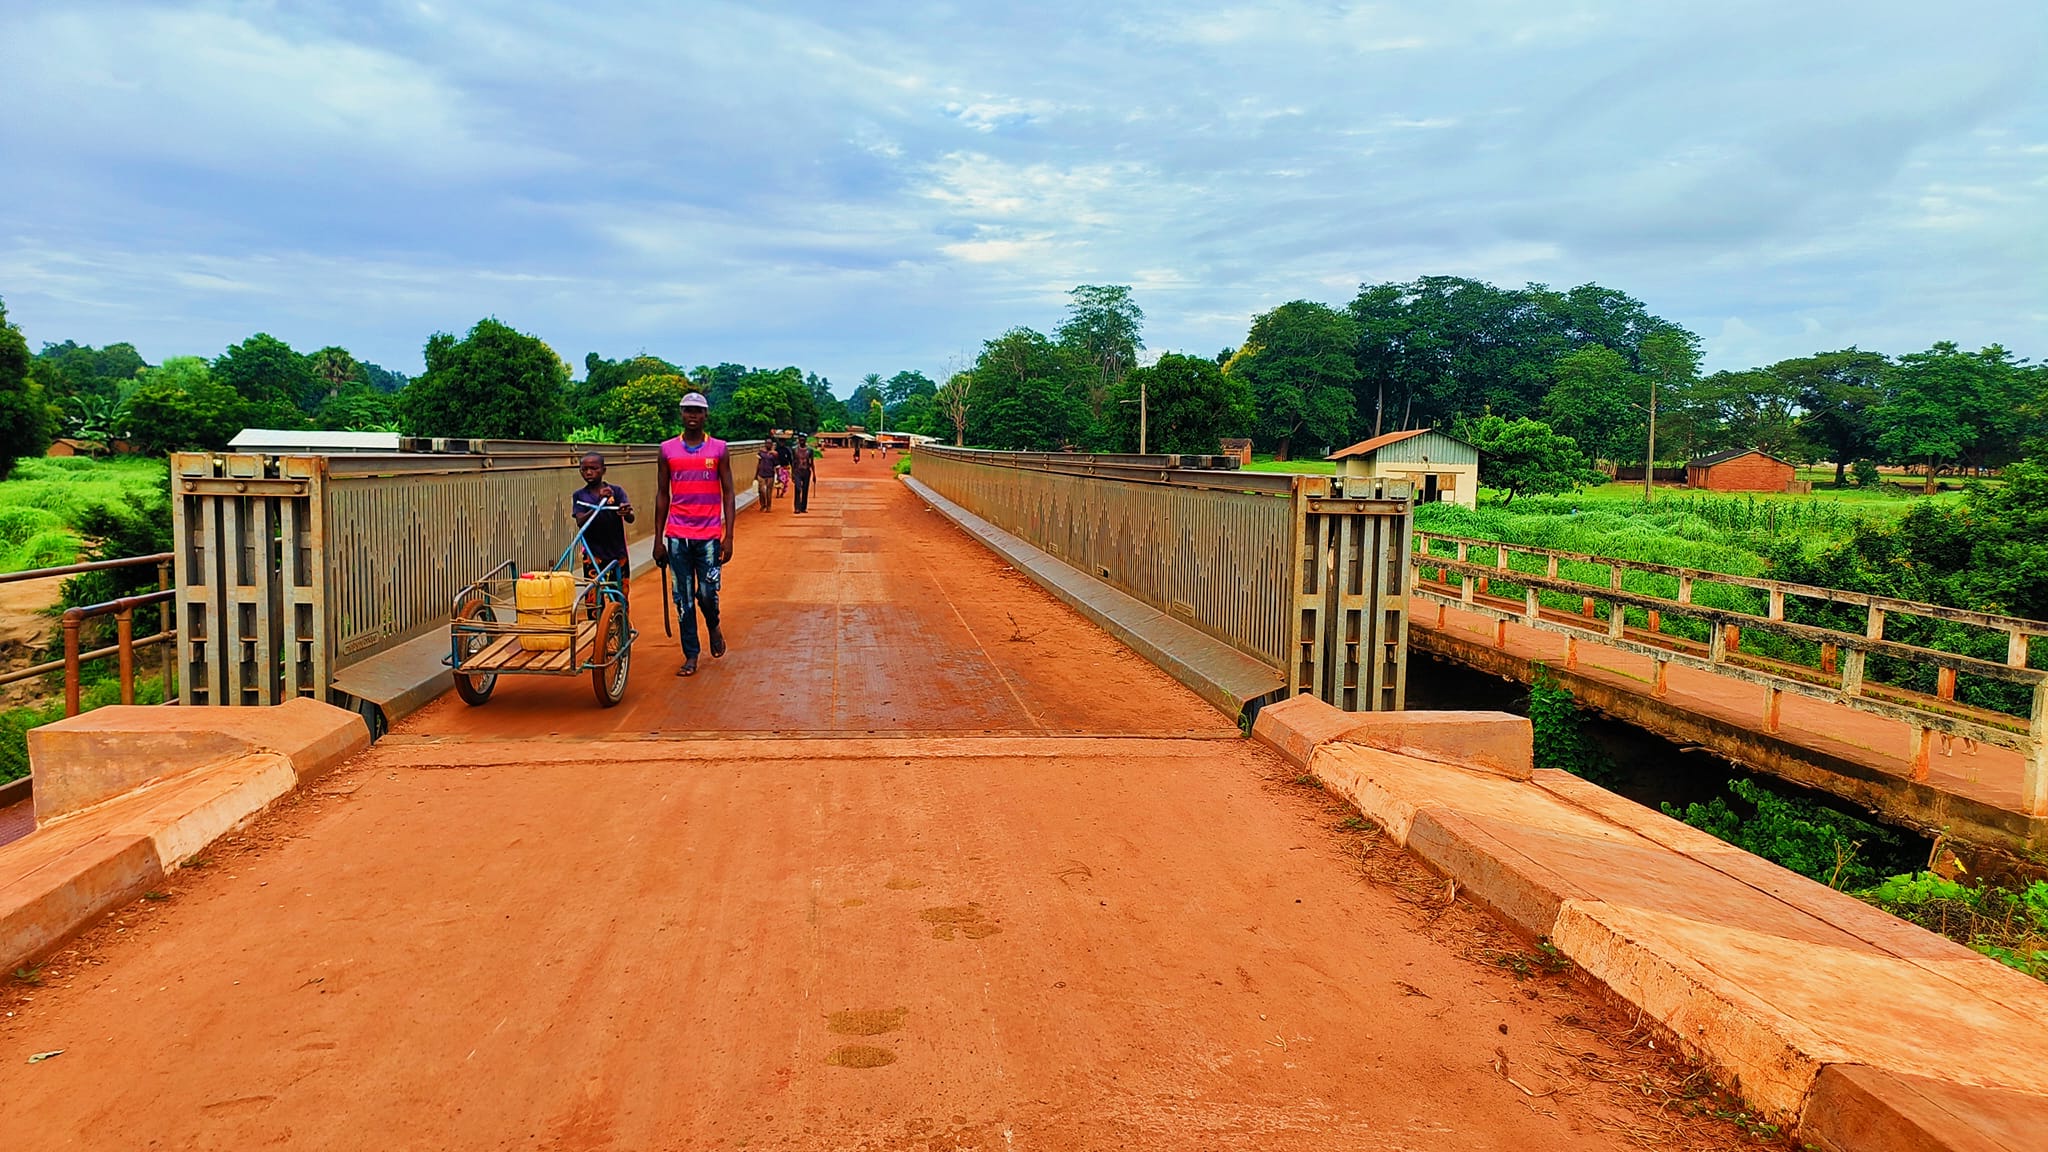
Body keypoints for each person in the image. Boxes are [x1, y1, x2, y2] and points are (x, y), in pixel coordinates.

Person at [653, 393, 735, 676]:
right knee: (683, 598)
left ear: (705, 415)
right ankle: (691, 654)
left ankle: (713, 625)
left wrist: (729, 536)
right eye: (688, 410)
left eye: (698, 411)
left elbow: (729, 492)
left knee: (707, 593)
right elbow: (662, 495)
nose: (692, 415)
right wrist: (658, 539)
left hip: (710, 535)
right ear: (681, 414)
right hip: (677, 535)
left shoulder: (719, 449)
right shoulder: (666, 450)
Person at [571, 453, 634, 602]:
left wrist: (626, 511)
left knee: (620, 595)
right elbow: (580, 521)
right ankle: (597, 625)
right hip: (593, 554)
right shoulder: (579, 495)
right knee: (593, 599)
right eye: (584, 469)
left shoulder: (616, 492)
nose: (588, 472)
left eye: (594, 468)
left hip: (617, 552)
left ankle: (621, 624)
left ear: (603, 470)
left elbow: (630, 517)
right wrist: (600, 503)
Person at [790, 432, 817, 514]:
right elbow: (793, 462)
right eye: (800, 438)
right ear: (798, 439)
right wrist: (792, 474)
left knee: (805, 490)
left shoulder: (810, 450)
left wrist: (814, 474)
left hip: (806, 471)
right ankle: (797, 507)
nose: (802, 440)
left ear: (805, 439)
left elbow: (811, 462)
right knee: (798, 489)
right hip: (797, 471)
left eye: (803, 438)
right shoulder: (794, 449)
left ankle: (803, 507)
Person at [753, 441, 777, 512]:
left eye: (770, 443)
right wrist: (756, 475)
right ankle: (763, 504)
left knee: (769, 491)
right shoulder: (761, 453)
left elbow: (776, 465)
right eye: (767, 443)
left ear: (772, 445)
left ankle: (768, 506)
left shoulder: (774, 454)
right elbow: (758, 464)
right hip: (761, 474)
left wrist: (778, 475)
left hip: (770, 474)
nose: (768, 445)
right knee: (761, 490)